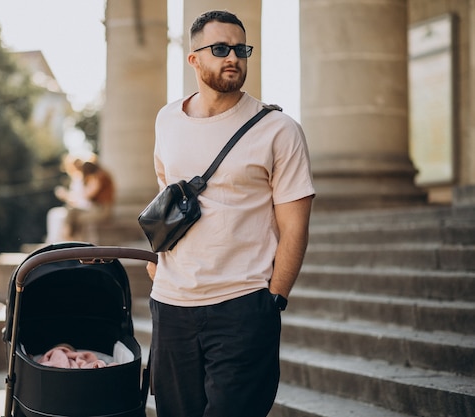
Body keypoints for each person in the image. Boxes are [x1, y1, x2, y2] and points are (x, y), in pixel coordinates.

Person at [145, 10, 315, 417]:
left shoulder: (279, 129)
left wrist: (274, 298)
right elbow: (167, 193)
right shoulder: (167, 119)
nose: (233, 58)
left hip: (243, 306)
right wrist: (160, 265)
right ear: (194, 59)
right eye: (220, 49)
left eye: (241, 49)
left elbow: (295, 226)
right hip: (171, 306)